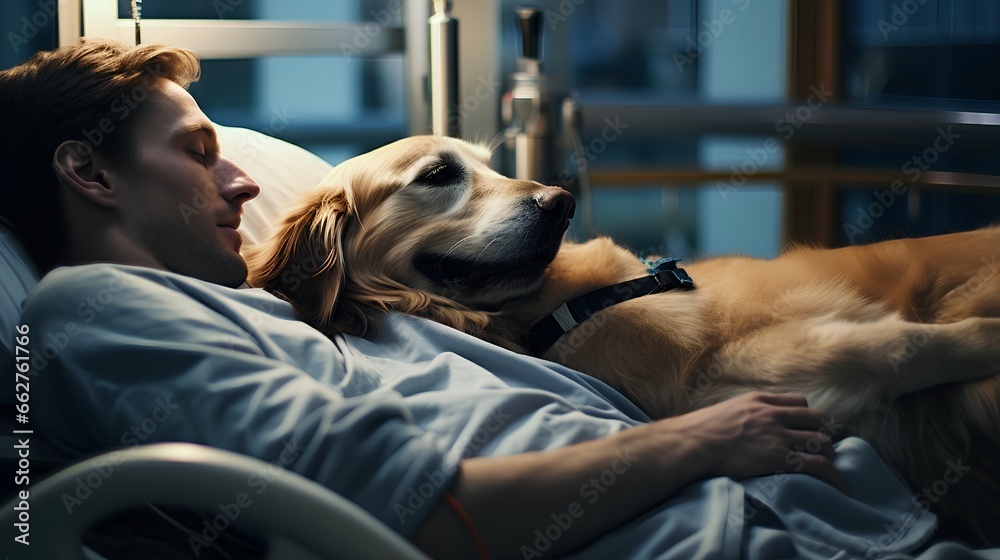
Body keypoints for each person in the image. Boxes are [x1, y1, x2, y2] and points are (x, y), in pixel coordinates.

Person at [1, 40, 940, 560]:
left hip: (801, 513)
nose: (246, 184)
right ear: (88, 172)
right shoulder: (94, 309)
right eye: (201, 154)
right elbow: (428, 522)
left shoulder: (299, 315)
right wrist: (707, 439)